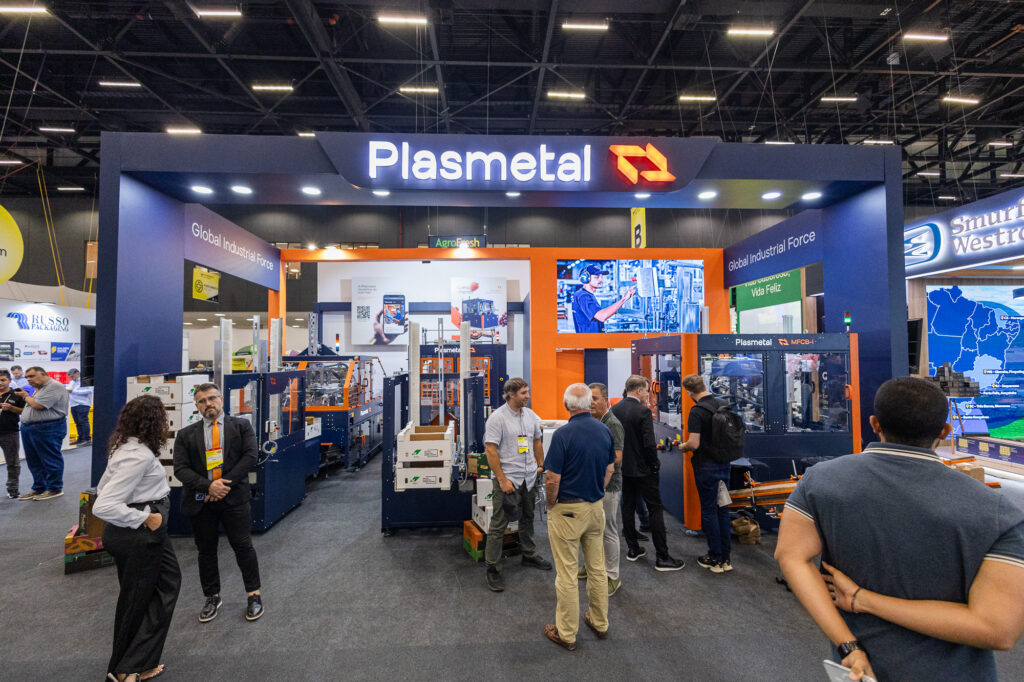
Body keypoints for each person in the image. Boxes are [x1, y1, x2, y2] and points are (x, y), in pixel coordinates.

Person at [775, 377, 1024, 681]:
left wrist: (850, 640)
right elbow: (997, 630)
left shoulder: (819, 482)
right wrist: (860, 599)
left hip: (860, 672)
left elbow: (790, 556)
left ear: (875, 424)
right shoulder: (999, 513)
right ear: (944, 431)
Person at [93, 396, 181, 682]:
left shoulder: (128, 447)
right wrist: (144, 518)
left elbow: (103, 485)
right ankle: (123, 670)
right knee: (137, 600)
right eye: (163, 418)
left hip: (145, 531)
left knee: (166, 585)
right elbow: (103, 505)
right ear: (153, 421)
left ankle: (138, 661)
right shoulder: (136, 455)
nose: (166, 424)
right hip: (139, 533)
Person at [172, 382, 264, 622]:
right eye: (202, 401)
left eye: (212, 398)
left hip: (234, 498)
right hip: (201, 501)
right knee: (206, 550)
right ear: (197, 405)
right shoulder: (186, 435)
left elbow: (250, 457)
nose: (208, 404)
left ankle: (253, 594)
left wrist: (223, 484)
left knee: (243, 546)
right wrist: (208, 486)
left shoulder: (241, 426)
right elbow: (180, 469)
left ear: (221, 399)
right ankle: (212, 596)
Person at [543, 383, 617, 650]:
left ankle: (567, 634)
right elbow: (610, 469)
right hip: (595, 508)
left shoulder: (562, 435)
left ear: (566, 405)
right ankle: (600, 622)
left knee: (567, 574)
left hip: (567, 511)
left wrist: (550, 504)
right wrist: (596, 491)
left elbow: (552, 479)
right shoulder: (604, 430)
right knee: (597, 570)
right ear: (589, 404)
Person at [482, 377, 552, 592]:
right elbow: (490, 450)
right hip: (509, 479)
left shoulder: (530, 415)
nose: (527, 396)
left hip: (529, 477)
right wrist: (502, 480)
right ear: (511, 394)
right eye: (523, 393)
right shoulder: (497, 418)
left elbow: (537, 441)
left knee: (528, 518)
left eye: (527, 392)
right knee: (499, 524)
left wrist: (541, 465)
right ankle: (492, 567)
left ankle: (529, 554)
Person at [611, 375, 684, 571]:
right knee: (655, 509)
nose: (648, 394)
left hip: (624, 468)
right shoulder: (643, 412)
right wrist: (655, 465)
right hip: (644, 470)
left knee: (627, 507)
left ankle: (633, 549)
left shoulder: (615, 409)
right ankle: (663, 556)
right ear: (638, 390)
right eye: (646, 390)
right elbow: (649, 443)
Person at [678, 374, 734, 573]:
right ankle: (726, 559)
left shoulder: (697, 411)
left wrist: (683, 446)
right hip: (724, 465)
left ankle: (714, 558)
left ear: (688, 392)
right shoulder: (723, 404)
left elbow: (694, 443)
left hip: (706, 467)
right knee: (723, 510)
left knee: (709, 511)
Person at [577, 382, 624, 596]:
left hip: (609, 486)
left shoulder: (612, 423)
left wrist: (591, 461)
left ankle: (612, 576)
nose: (591, 403)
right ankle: (592, 566)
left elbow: (617, 457)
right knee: (590, 530)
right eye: (589, 399)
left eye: (595, 398)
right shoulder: (594, 421)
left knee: (608, 531)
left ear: (605, 399)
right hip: (592, 484)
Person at [16, 366, 69, 500]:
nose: (28, 379)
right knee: (34, 461)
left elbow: (38, 406)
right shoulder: (40, 389)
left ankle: (54, 488)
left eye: (32, 376)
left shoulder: (54, 386)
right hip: (31, 428)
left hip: (47, 427)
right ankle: (39, 487)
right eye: (27, 377)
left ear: (44, 374)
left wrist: (25, 396)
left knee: (50, 459)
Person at [571, 264, 636, 333]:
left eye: (601, 277)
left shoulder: (582, 294)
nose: (601, 279)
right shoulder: (584, 296)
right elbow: (602, 316)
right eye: (597, 277)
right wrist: (624, 298)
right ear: (585, 278)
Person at [0, 369, 25, 498]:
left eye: (3, 380)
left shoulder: (17, 394)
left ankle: (13, 489)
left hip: (9, 432)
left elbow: (24, 411)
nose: (0, 382)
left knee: (13, 462)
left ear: (9, 380)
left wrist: (11, 408)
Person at [67, 368, 93, 445]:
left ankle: (87, 439)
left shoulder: (85, 381)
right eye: (70, 377)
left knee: (83, 421)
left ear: (78, 374)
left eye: (72, 376)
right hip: (73, 404)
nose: (71, 378)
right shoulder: (72, 382)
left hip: (83, 404)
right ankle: (80, 438)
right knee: (77, 423)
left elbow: (89, 390)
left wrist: (74, 391)